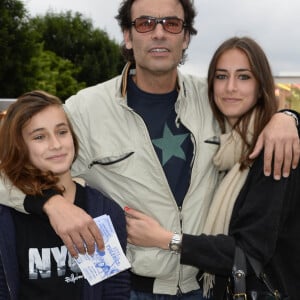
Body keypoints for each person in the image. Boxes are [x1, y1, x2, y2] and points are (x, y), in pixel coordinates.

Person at [0, 0, 300, 299]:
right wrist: (51, 204)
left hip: (209, 286)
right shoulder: (85, 110)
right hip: (128, 288)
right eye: (145, 23)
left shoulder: (214, 97)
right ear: (128, 36)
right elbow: (12, 166)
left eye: (171, 23)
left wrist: (286, 118)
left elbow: (256, 117)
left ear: (185, 38)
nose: (159, 33)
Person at [124, 36, 300, 300]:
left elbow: (248, 252)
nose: (230, 87)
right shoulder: (225, 145)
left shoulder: (273, 150)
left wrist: (165, 239)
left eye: (243, 77)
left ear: (260, 84)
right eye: (221, 76)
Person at [0, 91, 130, 300]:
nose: (56, 145)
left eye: (62, 132)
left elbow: (114, 288)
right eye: (39, 137)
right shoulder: (6, 216)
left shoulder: (101, 209)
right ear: (19, 146)